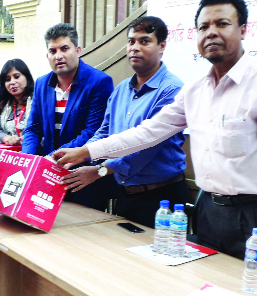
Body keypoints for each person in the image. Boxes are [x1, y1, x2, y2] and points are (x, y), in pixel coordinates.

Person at [53, 0, 257, 270]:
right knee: (203, 291)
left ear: (243, 30)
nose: (211, 33)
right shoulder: (195, 90)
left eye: (222, 24)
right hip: (208, 210)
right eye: (204, 26)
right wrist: (86, 152)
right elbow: (147, 133)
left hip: (253, 216)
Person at [60, 16, 187, 228]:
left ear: (162, 46)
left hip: (162, 198)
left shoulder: (172, 90)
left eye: (144, 41)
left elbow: (145, 147)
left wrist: (99, 170)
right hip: (126, 193)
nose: (135, 48)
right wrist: (80, 154)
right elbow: (105, 132)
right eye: (131, 41)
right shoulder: (121, 90)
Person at [23, 23, 117, 211]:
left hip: (84, 179)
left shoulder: (99, 82)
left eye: (65, 48)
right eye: (53, 51)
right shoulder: (42, 84)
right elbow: (33, 128)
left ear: (78, 50)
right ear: (47, 55)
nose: (58, 56)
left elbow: (93, 132)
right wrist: (29, 161)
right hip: (48, 178)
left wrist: (50, 160)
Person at [0, 59, 34, 145]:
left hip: (35, 153)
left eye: (17, 76)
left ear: (27, 77)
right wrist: (6, 138)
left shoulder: (38, 102)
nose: (12, 82)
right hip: (10, 155)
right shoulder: (4, 105)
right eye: (7, 79)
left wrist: (30, 138)